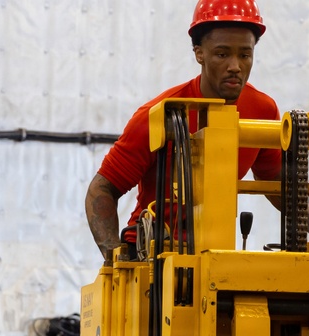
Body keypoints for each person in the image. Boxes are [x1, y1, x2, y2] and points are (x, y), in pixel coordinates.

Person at [85, 0, 281, 263]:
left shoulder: (262, 111)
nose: (235, 66)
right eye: (222, 54)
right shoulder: (159, 115)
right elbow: (101, 189)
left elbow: (278, 186)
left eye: (244, 55)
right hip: (150, 257)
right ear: (199, 53)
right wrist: (117, 260)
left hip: (214, 255)